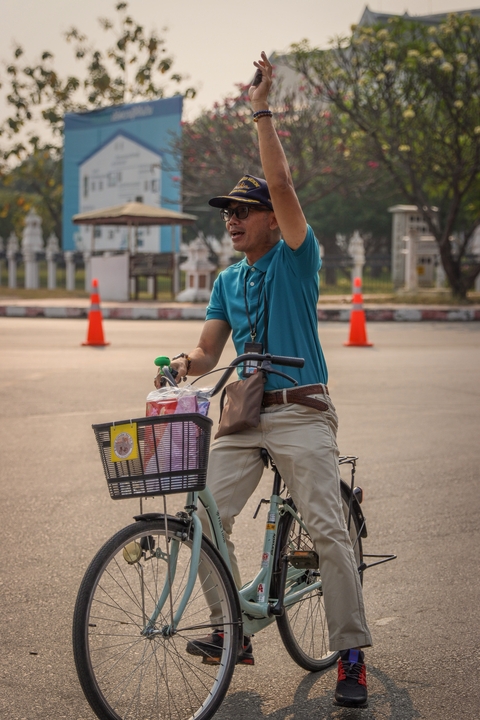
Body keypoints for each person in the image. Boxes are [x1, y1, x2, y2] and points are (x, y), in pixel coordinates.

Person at [163, 51, 372, 709]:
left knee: (328, 528)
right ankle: (236, 631)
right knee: (197, 513)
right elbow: (206, 349)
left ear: (268, 219)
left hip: (303, 410)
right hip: (244, 416)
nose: (232, 219)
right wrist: (183, 366)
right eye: (227, 212)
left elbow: (282, 186)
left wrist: (260, 109)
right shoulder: (228, 280)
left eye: (243, 211)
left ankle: (352, 654)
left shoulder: (294, 258)